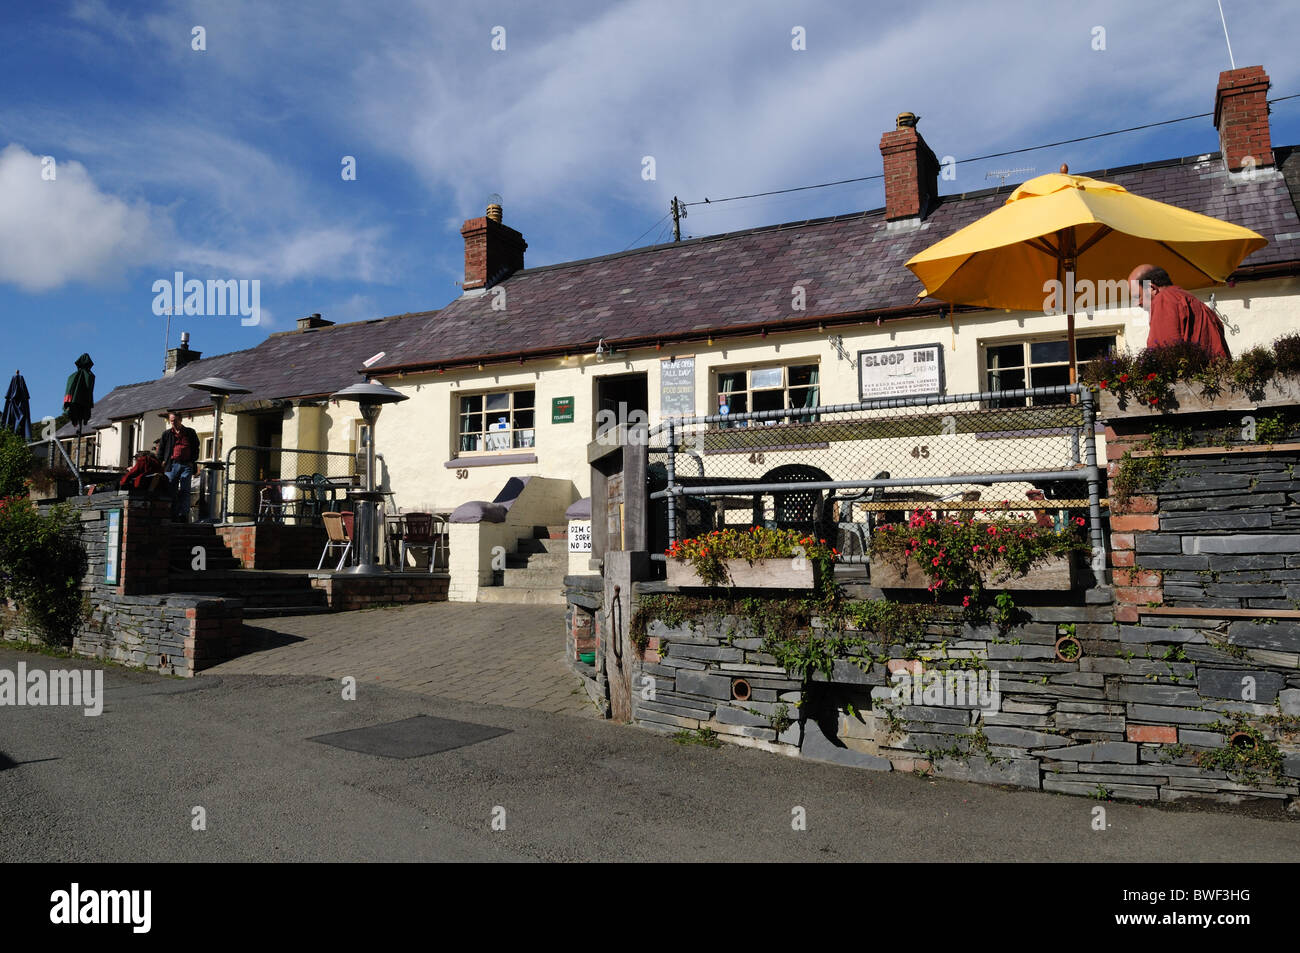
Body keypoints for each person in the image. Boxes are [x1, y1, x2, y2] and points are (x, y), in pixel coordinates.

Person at [1127, 264, 1232, 360]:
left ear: (1151, 288)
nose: (1137, 303)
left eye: (1138, 296)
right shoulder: (1193, 301)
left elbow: (1164, 353)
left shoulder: (1164, 299)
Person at [157, 412, 200, 521]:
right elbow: (161, 450)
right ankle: (172, 514)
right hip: (171, 465)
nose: (173, 423)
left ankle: (183, 515)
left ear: (180, 419)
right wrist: (160, 464)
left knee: (185, 490)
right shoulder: (166, 434)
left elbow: (196, 447)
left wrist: (192, 461)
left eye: (175, 420)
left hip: (186, 464)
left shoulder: (190, 432)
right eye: (171, 421)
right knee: (171, 489)